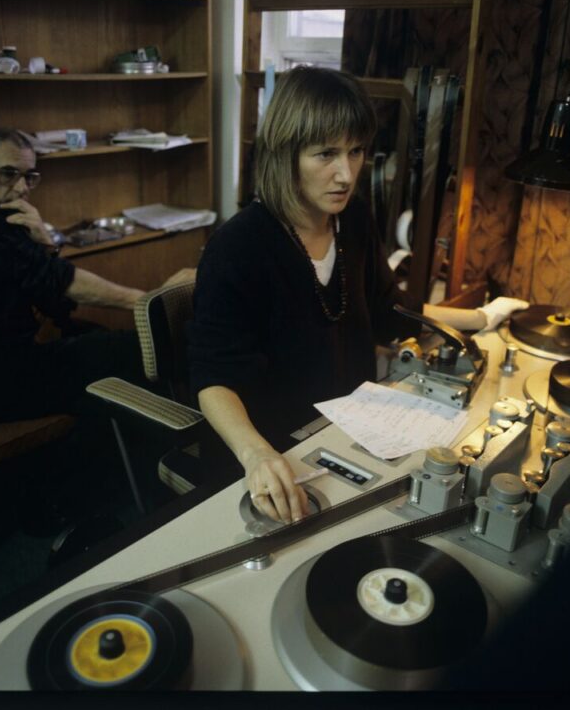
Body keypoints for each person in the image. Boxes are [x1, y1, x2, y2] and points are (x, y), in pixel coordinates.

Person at [187, 67, 527, 525]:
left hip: (348, 437)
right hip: (268, 459)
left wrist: (483, 317)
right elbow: (213, 381)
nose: (345, 174)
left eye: (356, 151)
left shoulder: (354, 221)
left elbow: (390, 313)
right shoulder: (237, 247)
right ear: (285, 155)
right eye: (325, 154)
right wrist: (256, 455)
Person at [0, 128, 194, 424]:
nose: (22, 187)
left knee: (113, 349)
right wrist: (147, 304)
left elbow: (53, 301)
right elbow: (64, 283)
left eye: (30, 177)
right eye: (9, 173)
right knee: (130, 351)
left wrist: (46, 242)